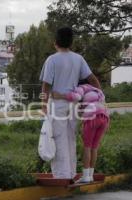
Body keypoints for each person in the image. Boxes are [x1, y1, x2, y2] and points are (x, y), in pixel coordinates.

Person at [39, 27, 101, 179]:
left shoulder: (52, 59)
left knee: (58, 139)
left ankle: (62, 176)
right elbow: (92, 79)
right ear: (71, 42)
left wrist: (43, 104)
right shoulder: (78, 59)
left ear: (56, 42)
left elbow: (46, 85)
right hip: (73, 104)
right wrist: (99, 96)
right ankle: (72, 173)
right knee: (70, 138)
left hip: (58, 104)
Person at [52, 84, 109, 183]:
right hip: (104, 117)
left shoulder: (82, 88)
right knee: (94, 147)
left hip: (92, 116)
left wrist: (59, 96)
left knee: (87, 147)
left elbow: (76, 97)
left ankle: (86, 176)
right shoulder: (98, 91)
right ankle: (90, 176)